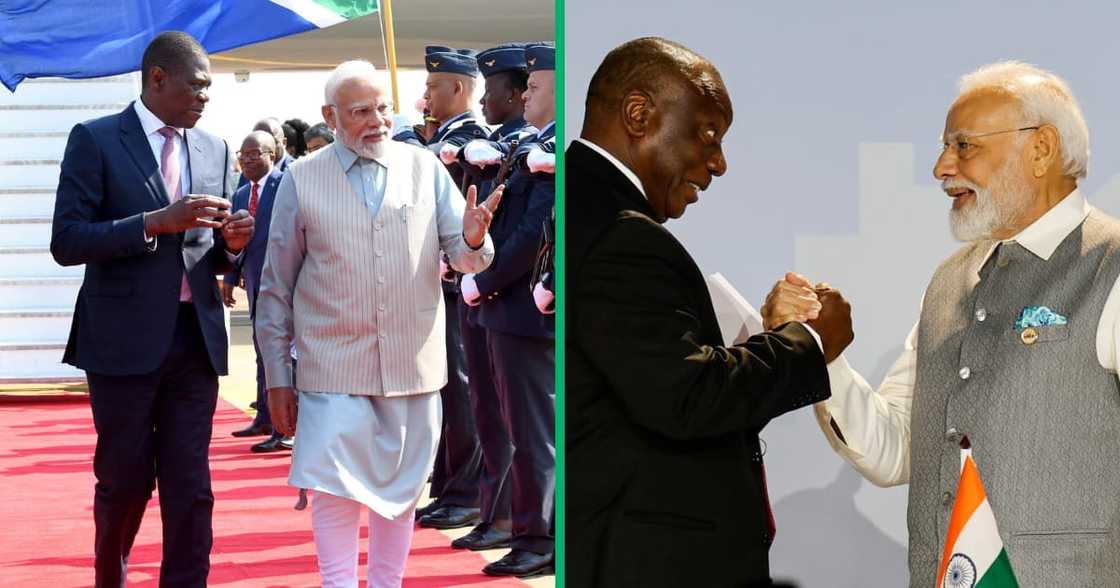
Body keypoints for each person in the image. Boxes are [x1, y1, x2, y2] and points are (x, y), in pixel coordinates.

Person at [808, 61, 1120, 587]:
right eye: (943, 147)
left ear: (1040, 149)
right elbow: (893, 449)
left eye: (963, 146)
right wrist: (824, 355)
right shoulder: (948, 282)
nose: (940, 168)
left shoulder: (1110, 263)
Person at [566, 37, 852, 587]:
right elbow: (684, 398)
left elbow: (646, 392)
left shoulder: (577, 202)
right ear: (638, 114)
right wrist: (809, 341)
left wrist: (760, 344)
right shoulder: (623, 236)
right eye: (707, 134)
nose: (718, 162)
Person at [255, 59, 502, 588]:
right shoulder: (301, 179)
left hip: (411, 369)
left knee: (401, 493)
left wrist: (476, 239)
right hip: (331, 370)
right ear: (331, 115)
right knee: (333, 488)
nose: (377, 121)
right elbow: (275, 288)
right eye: (361, 111)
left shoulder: (424, 167)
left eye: (383, 108)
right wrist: (278, 377)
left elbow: (463, 257)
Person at [50, 31, 254, 586]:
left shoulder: (215, 148)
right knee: (125, 479)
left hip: (195, 339)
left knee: (192, 484)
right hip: (121, 343)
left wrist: (233, 245)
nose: (206, 97)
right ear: (158, 78)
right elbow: (67, 241)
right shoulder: (94, 140)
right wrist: (153, 222)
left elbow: (214, 254)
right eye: (198, 84)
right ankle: (109, 574)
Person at [457, 42, 557, 578]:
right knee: (518, 429)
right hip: (506, 309)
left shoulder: (552, 153)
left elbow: (534, 230)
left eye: (537, 86)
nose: (528, 94)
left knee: (534, 432)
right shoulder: (531, 148)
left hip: (524, 311)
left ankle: (539, 537)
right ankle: (525, 529)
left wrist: (485, 279)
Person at [442, 41, 538, 554]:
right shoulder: (496, 147)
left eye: (494, 89)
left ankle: (516, 521)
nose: (483, 102)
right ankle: (495, 510)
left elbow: (529, 230)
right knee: (482, 407)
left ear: (521, 94)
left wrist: (485, 278)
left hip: (513, 301)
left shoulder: (526, 150)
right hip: (483, 294)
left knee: (514, 422)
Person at [409, 45, 489, 532]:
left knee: (462, 391)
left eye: (432, 86)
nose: (425, 96)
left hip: (462, 282)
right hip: (439, 285)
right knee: (446, 388)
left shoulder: (473, 140)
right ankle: (449, 485)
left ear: (457, 88)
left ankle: (468, 491)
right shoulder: (438, 138)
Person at [221, 131, 290, 452]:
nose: (247, 160)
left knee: (282, 352)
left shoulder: (287, 185)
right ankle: (263, 416)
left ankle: (285, 427)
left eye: (255, 154)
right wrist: (230, 278)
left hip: (284, 284)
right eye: (243, 154)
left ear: (272, 155)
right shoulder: (240, 194)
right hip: (254, 282)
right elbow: (236, 241)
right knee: (261, 349)